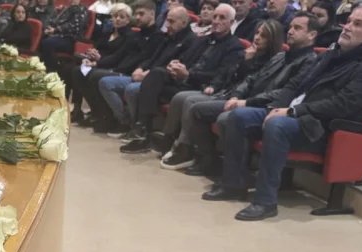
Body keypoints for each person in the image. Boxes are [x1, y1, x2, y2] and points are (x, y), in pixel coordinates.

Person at [204, 2, 362, 221]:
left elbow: (341, 105)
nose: (347, 27)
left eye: (357, 24)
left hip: (319, 127)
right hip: (294, 113)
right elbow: (295, 85)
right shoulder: (332, 53)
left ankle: (265, 201)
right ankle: (234, 184)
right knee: (237, 116)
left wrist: (292, 112)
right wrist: (275, 108)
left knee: (277, 125)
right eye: (348, 21)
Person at [161, 13, 320, 171]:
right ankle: (199, 155)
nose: (290, 31)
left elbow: (280, 92)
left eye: (297, 28)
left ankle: (219, 164)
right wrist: (235, 94)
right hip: (236, 96)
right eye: (291, 27)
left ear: (312, 35)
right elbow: (245, 79)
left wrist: (244, 99)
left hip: (260, 105)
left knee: (215, 114)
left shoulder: (305, 60)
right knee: (191, 104)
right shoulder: (279, 57)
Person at [151, 19, 286, 161]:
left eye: (263, 36)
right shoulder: (248, 53)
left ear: (272, 39)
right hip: (224, 91)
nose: (257, 37)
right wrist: (214, 85)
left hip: (239, 99)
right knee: (180, 97)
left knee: (191, 102)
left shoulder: (273, 61)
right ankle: (168, 139)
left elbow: (251, 84)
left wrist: (247, 62)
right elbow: (227, 75)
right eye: (257, 33)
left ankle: (185, 147)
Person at [119, 4, 245, 152]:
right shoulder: (202, 40)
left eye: (222, 18)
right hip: (183, 81)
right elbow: (185, 59)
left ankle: (144, 132)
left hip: (201, 88)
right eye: (215, 16)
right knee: (156, 74)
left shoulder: (234, 46)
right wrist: (175, 65)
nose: (216, 21)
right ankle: (143, 130)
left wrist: (189, 75)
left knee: (152, 86)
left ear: (231, 22)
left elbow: (222, 75)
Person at [98, 7, 198, 136]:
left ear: (184, 22)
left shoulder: (191, 41)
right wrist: (141, 68)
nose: (168, 25)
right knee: (106, 82)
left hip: (163, 80)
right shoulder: (168, 37)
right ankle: (125, 122)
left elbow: (175, 67)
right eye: (167, 21)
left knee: (132, 89)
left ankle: (138, 127)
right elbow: (151, 58)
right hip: (147, 74)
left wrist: (148, 73)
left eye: (172, 22)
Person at [85, 1, 164, 132]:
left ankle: (120, 120)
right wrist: (96, 61)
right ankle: (102, 115)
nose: (137, 17)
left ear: (152, 14)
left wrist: (138, 69)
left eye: (141, 14)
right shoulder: (136, 35)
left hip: (136, 73)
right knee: (83, 71)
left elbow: (149, 59)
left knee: (98, 77)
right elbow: (120, 55)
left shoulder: (158, 36)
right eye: (136, 14)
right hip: (124, 69)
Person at [69, 3, 134, 122]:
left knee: (93, 74)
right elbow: (99, 49)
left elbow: (116, 58)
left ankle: (104, 113)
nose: (117, 19)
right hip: (100, 63)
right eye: (115, 16)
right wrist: (91, 55)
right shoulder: (108, 32)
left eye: (122, 17)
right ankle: (87, 109)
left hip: (114, 67)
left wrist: (98, 60)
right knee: (78, 70)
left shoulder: (129, 36)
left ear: (128, 20)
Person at [38, 0, 90, 72]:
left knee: (47, 43)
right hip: (60, 35)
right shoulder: (67, 9)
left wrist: (55, 30)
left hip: (72, 40)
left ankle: (51, 70)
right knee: (41, 37)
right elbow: (56, 21)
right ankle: (38, 66)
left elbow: (73, 27)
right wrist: (50, 28)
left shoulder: (82, 10)